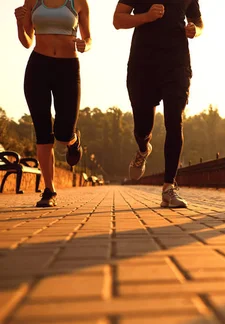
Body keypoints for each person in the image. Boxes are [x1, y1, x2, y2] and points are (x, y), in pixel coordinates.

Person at [113, 0, 203, 208]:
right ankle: (143, 149)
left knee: (174, 121)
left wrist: (194, 30)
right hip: (142, 66)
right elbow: (118, 19)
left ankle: (168, 188)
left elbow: (198, 22)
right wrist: (146, 17)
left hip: (177, 65)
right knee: (143, 127)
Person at [15, 0, 91, 207]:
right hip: (38, 67)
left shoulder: (79, 2)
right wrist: (19, 22)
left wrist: (86, 45)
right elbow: (27, 40)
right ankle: (49, 190)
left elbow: (88, 37)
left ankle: (73, 141)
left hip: (68, 69)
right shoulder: (33, 1)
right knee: (43, 131)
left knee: (64, 131)